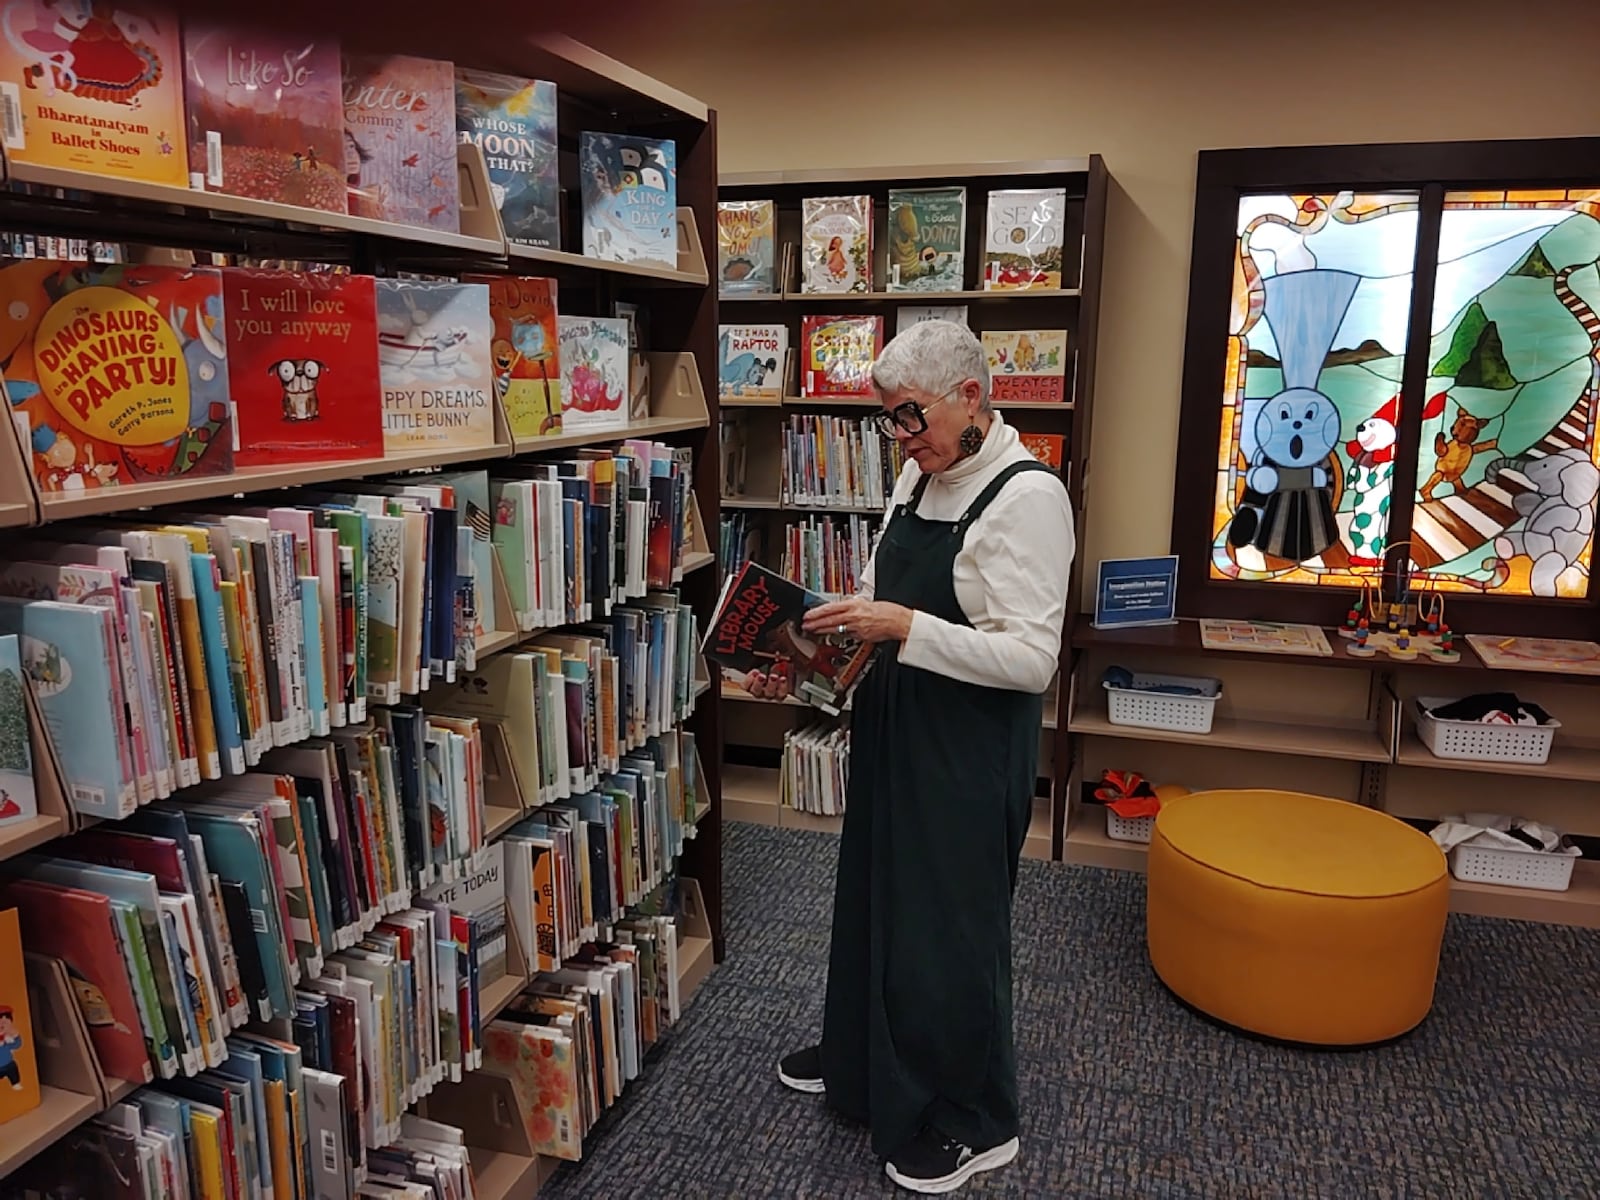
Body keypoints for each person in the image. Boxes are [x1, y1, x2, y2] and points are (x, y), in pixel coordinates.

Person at [743, 319, 1075, 1193]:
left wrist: (901, 625)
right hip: (895, 722)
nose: (901, 437)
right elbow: (893, 618)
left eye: (911, 417)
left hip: (967, 749)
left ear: (973, 395)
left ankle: (976, 1118)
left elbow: (1032, 659)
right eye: (889, 419)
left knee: (952, 932)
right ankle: (861, 1060)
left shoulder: (1029, 498)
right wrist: (807, 664)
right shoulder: (917, 475)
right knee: (875, 898)